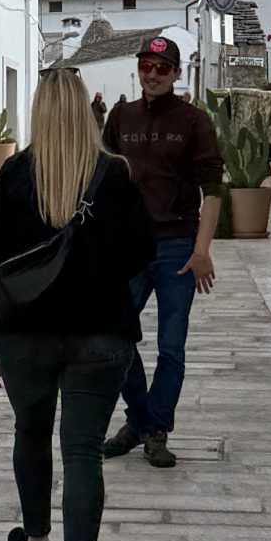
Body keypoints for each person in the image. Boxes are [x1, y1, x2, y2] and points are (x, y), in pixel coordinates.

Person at [0, 63, 156, 541]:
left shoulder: (13, 177)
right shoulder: (114, 177)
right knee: (81, 451)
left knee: (31, 431)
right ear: (85, 112)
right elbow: (142, 252)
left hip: (24, 333)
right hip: (101, 334)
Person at [100, 35, 222, 470]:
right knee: (114, 336)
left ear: (176, 73)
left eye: (162, 68)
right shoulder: (120, 116)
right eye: (145, 66)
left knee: (171, 346)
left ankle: (154, 430)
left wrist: (202, 250)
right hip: (128, 246)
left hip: (176, 247)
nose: (152, 74)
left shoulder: (194, 121)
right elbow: (104, 181)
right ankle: (143, 423)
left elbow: (214, 190)